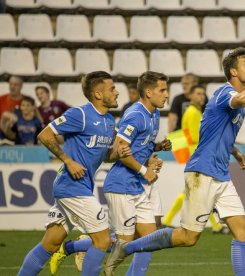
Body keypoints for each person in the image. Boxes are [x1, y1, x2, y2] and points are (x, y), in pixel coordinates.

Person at [104, 47, 245, 276]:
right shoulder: (225, 93)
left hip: (221, 174)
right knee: (187, 237)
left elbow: (215, 133)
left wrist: (236, 152)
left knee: (243, 232)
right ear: (233, 72)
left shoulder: (233, 101)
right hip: (203, 173)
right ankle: (125, 247)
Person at [48, 71, 171, 276]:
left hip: (137, 183)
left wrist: (155, 149)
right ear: (149, 92)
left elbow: (138, 146)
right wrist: (144, 170)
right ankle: (78, 249)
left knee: (149, 239)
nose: (167, 94)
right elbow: (121, 150)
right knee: (123, 242)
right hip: (122, 184)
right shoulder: (135, 115)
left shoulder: (154, 113)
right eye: (163, 90)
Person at [18, 71, 131, 276]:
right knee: (103, 240)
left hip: (78, 187)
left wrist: (117, 153)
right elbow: (44, 135)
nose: (116, 93)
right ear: (98, 94)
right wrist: (68, 161)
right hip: (72, 187)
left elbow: (105, 155)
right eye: (112, 88)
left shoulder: (108, 121)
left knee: (50, 244)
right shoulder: (80, 114)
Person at [163, 85, 229, 234]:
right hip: (198, 156)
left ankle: (215, 226)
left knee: (199, 192)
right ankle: (167, 221)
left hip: (196, 155)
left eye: (203, 94)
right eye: (198, 94)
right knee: (198, 191)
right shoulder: (193, 113)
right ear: (191, 97)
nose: (202, 97)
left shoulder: (194, 111)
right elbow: (195, 137)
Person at [0, 75, 25, 140]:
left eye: (15, 85)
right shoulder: (1, 99)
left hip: (23, 135)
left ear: (21, 86)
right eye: (11, 84)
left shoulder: (27, 101)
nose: (12, 87)